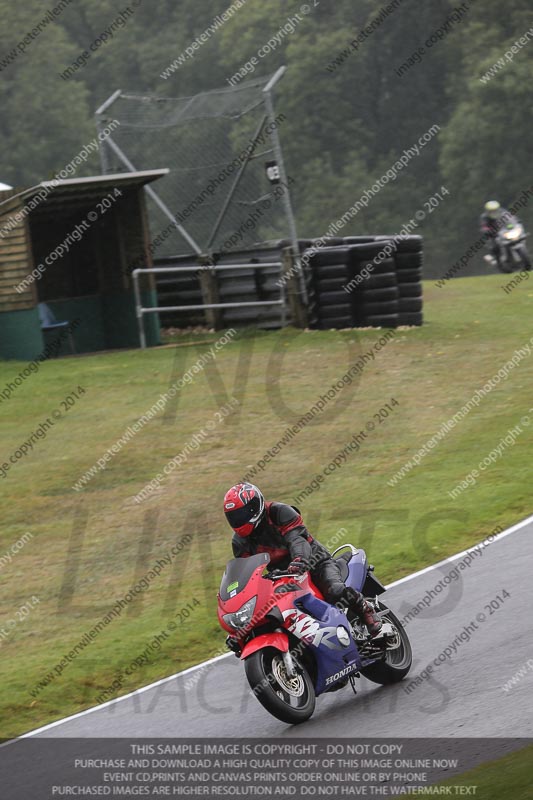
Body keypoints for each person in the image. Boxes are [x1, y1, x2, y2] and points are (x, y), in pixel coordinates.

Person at [223, 482, 382, 652]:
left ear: (255, 507)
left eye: (242, 514)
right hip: (280, 576)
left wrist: (299, 559)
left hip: (314, 562)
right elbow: (247, 572)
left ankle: (365, 609)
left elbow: (297, 539)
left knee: (334, 590)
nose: (239, 520)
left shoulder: (279, 513)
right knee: (270, 613)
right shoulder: (239, 542)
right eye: (234, 517)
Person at [480, 200, 528, 268]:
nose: (494, 212)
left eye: (495, 210)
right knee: (494, 245)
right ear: (487, 211)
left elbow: (512, 218)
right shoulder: (485, 217)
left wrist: (517, 222)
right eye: (491, 211)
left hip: (505, 231)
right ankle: (496, 259)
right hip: (494, 234)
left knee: (520, 237)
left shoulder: (503, 212)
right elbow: (484, 226)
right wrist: (487, 230)